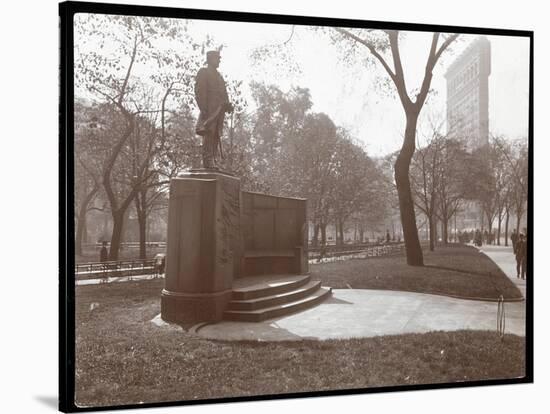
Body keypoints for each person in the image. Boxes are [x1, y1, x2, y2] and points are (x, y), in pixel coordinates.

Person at [194, 50, 233, 169]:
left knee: (216, 134)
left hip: (219, 109)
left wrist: (228, 105)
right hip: (209, 108)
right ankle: (207, 160)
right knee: (209, 132)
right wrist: (203, 108)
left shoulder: (219, 76)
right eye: (217, 58)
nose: (219, 60)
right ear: (210, 59)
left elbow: (224, 93)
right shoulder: (204, 72)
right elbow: (199, 90)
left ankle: (213, 159)